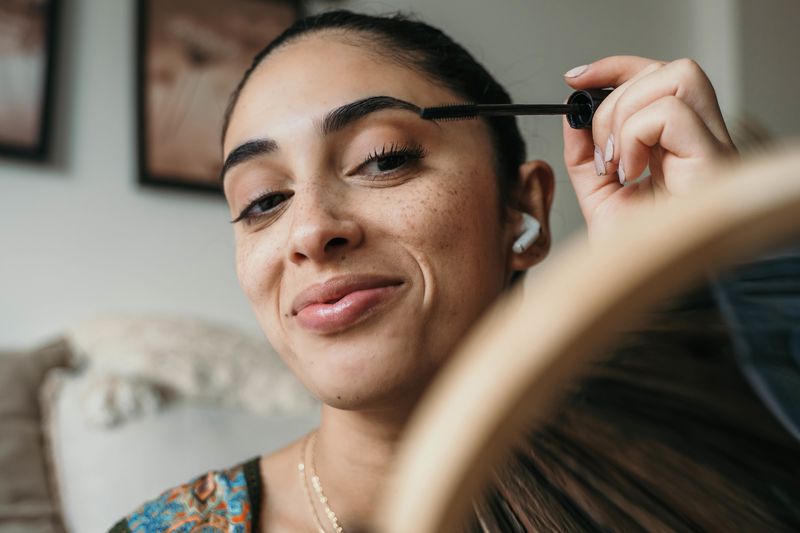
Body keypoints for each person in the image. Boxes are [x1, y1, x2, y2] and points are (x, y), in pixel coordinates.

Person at [110, 9, 800, 533]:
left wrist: (720, 280)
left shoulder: (678, 484)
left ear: (523, 211)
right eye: (262, 201)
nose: (312, 231)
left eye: (383, 158)